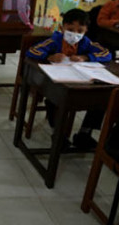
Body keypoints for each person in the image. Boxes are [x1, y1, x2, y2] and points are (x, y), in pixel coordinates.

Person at [26, 8, 112, 149]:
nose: (75, 34)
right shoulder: (55, 40)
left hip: (80, 80)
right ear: (62, 27)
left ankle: (85, 133)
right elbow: (32, 51)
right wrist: (49, 56)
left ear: (86, 31)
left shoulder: (86, 43)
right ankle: (58, 133)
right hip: (57, 81)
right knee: (55, 100)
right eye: (71, 29)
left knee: (103, 97)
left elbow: (106, 53)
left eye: (80, 31)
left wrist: (86, 57)